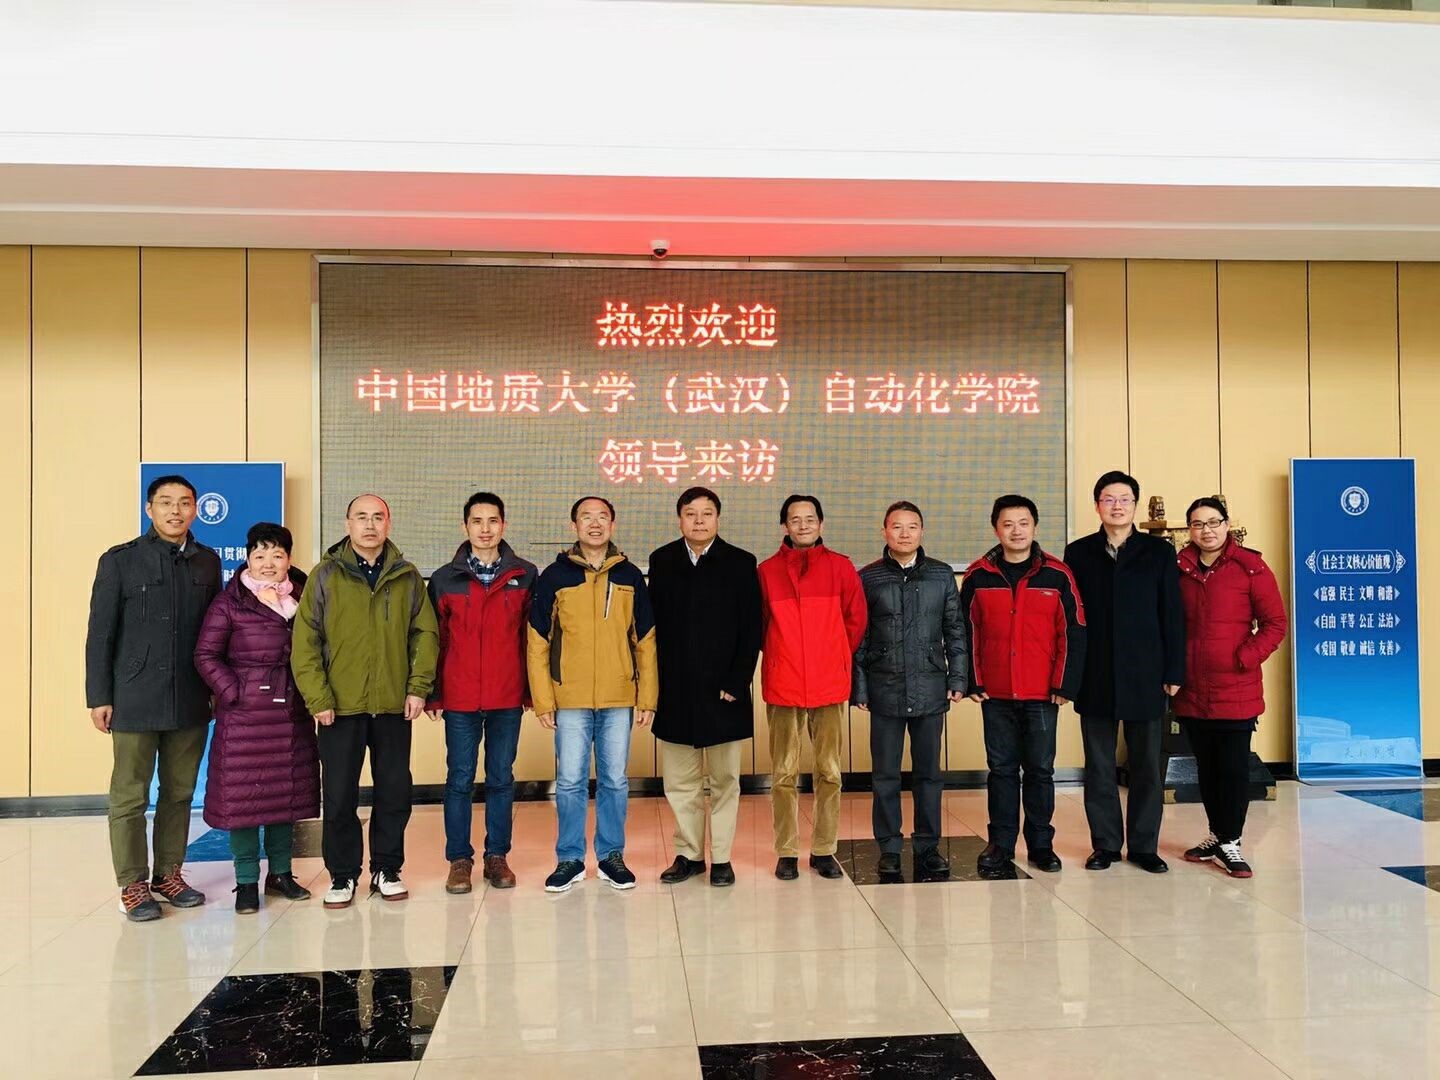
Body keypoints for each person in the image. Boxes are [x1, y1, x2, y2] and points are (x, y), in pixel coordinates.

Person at [291, 494, 439, 908]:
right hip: (338, 707)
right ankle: (343, 875)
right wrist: (318, 697)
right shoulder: (325, 575)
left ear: (388, 524)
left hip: (393, 704)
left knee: (394, 791)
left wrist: (418, 687)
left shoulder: (407, 576)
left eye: (378, 517)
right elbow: (305, 642)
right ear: (348, 524)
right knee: (339, 795)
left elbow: (425, 634)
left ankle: (387, 868)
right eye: (361, 517)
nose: (370, 525)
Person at [86, 474, 222, 921]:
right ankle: (132, 883)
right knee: (129, 796)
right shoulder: (120, 561)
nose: (175, 511)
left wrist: (216, 688)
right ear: (150, 509)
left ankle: (168, 874)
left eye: (184, 503)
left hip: (190, 695)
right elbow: (100, 634)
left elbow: (216, 633)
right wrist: (99, 695)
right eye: (165, 502)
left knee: (179, 792)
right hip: (134, 696)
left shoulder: (207, 562)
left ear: (196, 509)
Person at [528, 496, 658, 893]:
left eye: (602, 517)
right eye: (586, 517)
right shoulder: (554, 576)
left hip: (618, 697)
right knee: (569, 781)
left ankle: (611, 856)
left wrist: (647, 697)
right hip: (570, 699)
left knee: (615, 780)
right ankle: (569, 858)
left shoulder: (630, 575)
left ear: (613, 525)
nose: (595, 523)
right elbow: (537, 642)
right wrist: (543, 699)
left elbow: (645, 640)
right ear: (574, 526)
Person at [194, 522, 319, 913]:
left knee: (285, 797)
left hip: (292, 713)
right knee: (245, 801)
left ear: (289, 559)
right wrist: (234, 692)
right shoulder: (229, 602)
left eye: (277, 555)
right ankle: (246, 880)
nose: (268, 563)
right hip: (245, 718)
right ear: (248, 558)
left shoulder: (304, 596)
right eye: (260, 554)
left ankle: (281, 874)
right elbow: (205, 655)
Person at [1064, 471, 1185, 874]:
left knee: (1146, 765)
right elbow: (1072, 618)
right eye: (1108, 499)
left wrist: (1174, 669)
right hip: (1095, 673)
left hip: (1146, 672)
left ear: (1135, 504)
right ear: (1096, 505)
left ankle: (1145, 846)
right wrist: (1071, 675)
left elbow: (1172, 613)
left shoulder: (1158, 552)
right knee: (1099, 766)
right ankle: (1106, 845)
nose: (1117, 506)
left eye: (1124, 499)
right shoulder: (1078, 553)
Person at [962, 495, 1086, 874]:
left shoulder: (1057, 575)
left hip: (1042, 693)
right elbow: (966, 632)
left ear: (1034, 526)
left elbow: (1074, 631)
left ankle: (1041, 845)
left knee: (1039, 771)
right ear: (995, 529)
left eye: (1023, 523)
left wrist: (1064, 684)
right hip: (995, 692)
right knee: (1000, 771)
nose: (1016, 531)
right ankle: (1000, 844)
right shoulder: (978, 575)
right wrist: (973, 680)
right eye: (1007, 524)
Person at [649, 487, 762, 888]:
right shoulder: (662, 560)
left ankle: (723, 858)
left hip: (724, 691)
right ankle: (689, 854)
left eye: (707, 513)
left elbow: (752, 628)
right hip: (676, 690)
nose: (699, 521)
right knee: (680, 782)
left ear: (718, 518)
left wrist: (737, 680)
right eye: (690, 513)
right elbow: (653, 628)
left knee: (725, 781)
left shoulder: (741, 562)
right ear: (679, 518)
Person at [427, 491, 537, 893]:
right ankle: (459, 860)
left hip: (507, 695)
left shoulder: (526, 574)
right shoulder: (444, 579)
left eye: (493, 521)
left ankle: (497, 857)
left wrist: (532, 692)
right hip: (459, 698)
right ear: (465, 526)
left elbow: (532, 639)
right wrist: (433, 693)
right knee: (459, 778)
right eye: (477, 521)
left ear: (503, 525)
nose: (485, 529)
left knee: (501, 778)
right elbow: (434, 640)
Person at [1174, 497, 1288, 878]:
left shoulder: (1250, 567)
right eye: (1197, 524)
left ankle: (1232, 841)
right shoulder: (1179, 568)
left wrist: (1244, 657)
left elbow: (1275, 623)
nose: (1206, 530)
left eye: (1213, 522)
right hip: (1193, 688)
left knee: (1234, 768)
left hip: (1236, 687)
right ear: (1189, 530)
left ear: (1227, 524)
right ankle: (1217, 836)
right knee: (1206, 768)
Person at [853, 501, 968, 878]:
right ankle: (888, 847)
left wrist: (958, 678)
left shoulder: (941, 575)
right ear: (884, 531)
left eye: (912, 526)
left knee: (929, 774)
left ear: (922, 531)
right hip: (884, 687)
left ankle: (927, 845)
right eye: (897, 527)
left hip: (930, 686)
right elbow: (859, 638)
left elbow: (955, 630)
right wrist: (860, 687)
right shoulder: (868, 577)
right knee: (885, 774)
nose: (904, 534)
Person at [758, 494, 867, 881]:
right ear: (784, 526)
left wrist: (833, 655)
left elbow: (856, 620)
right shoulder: (767, 571)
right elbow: (760, 625)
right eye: (795, 519)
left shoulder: (841, 567)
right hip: (783, 682)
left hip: (829, 684)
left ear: (821, 524)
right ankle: (786, 851)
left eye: (809, 519)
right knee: (783, 773)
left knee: (829, 772)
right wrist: (781, 655)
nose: (803, 525)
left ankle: (824, 849)